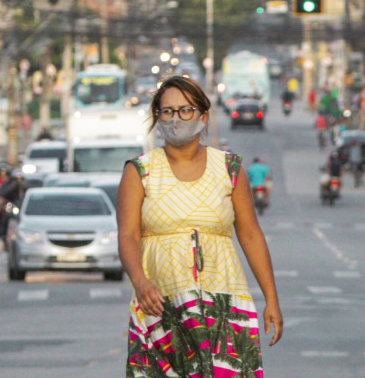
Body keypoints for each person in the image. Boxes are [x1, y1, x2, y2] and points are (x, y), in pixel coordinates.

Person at [117, 75, 283, 376]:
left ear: (204, 115)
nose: (176, 119)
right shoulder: (139, 171)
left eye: (185, 110)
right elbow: (128, 235)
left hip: (224, 306)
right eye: (167, 111)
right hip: (161, 309)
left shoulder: (230, 168)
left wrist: (271, 298)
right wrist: (140, 282)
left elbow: (250, 235)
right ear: (157, 117)